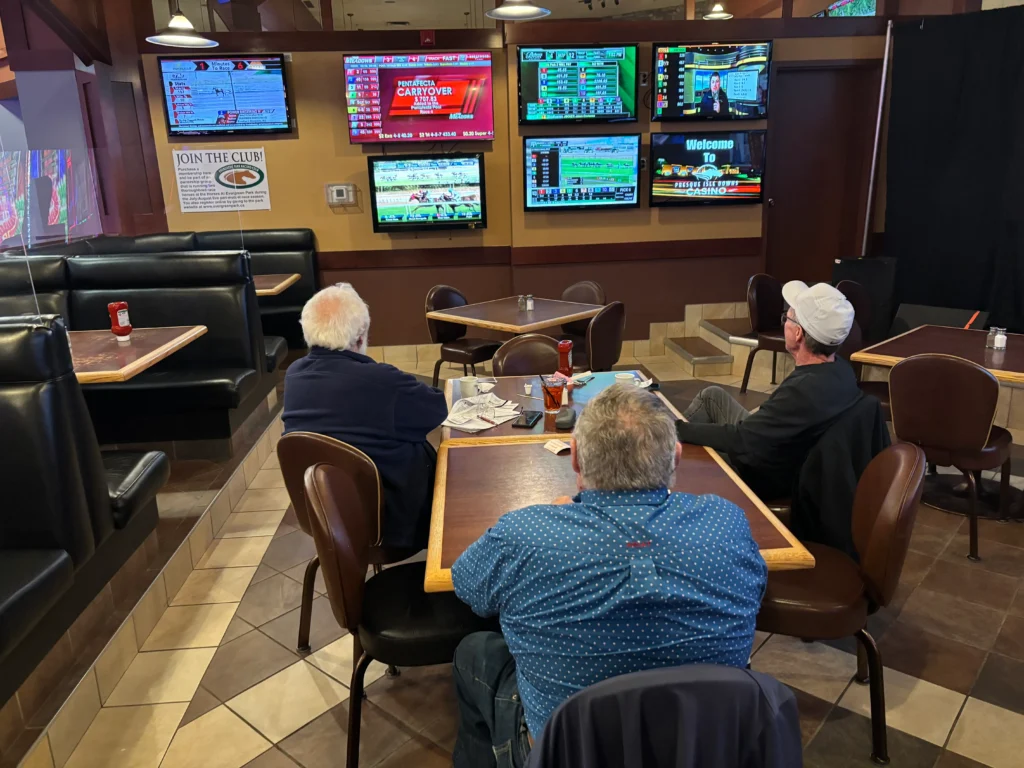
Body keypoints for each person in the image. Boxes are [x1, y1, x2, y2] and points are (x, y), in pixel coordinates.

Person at [450, 384, 767, 768]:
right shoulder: (727, 523)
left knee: (474, 652)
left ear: (576, 459)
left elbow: (467, 586)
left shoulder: (524, 536)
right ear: (676, 458)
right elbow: (758, 589)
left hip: (563, 755)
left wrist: (556, 519)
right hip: (704, 750)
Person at [282, 283, 447, 550]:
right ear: (361, 337)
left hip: (325, 517)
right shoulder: (382, 382)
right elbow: (440, 409)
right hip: (392, 523)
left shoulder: (294, 375)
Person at [677, 281, 861, 501]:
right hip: (776, 448)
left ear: (798, 333)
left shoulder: (804, 391)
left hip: (767, 475)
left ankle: (655, 460)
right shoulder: (840, 369)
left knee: (692, 456)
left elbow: (743, 441)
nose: (784, 323)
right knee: (712, 397)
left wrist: (676, 429)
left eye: (787, 318)